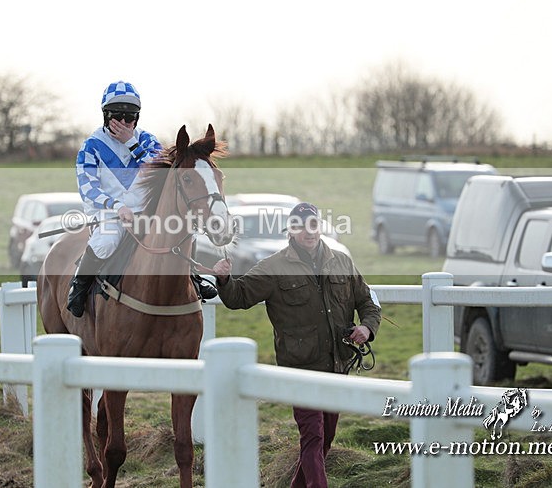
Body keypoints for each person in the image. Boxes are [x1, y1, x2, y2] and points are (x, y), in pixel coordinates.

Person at [212, 202, 382, 488]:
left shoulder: (342, 261)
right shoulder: (273, 266)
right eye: (301, 226)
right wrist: (225, 279)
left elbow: (368, 302)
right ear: (290, 230)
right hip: (299, 368)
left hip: (337, 366)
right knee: (313, 436)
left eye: (313, 225)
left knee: (325, 439)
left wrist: (366, 327)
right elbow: (238, 297)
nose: (309, 232)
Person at [67, 80, 217, 316]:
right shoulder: (91, 146)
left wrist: (131, 143)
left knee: (182, 231)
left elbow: (160, 171)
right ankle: (79, 286)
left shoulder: (146, 140)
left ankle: (193, 278)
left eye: (130, 117)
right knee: (105, 242)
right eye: (118, 116)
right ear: (106, 115)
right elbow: (88, 188)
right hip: (110, 213)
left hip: (147, 211)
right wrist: (116, 207)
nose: (124, 123)